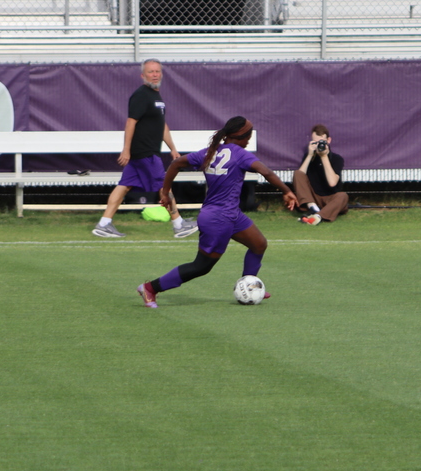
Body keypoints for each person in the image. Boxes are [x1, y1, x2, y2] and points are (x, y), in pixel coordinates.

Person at [137, 116, 299, 308]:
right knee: (201, 266)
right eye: (249, 136)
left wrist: (165, 192)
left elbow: (176, 164)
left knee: (259, 244)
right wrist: (287, 191)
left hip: (230, 215)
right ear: (242, 137)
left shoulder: (210, 152)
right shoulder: (240, 154)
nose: (249, 140)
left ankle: (249, 285)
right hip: (218, 218)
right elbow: (267, 172)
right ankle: (150, 288)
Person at [92, 59, 199, 239]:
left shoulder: (157, 97)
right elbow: (130, 122)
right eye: (151, 72)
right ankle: (179, 224)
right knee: (164, 186)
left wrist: (172, 148)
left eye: (157, 71)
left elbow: (162, 125)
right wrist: (126, 149)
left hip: (146, 153)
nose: (155, 74)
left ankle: (103, 224)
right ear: (143, 75)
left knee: (124, 186)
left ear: (162, 74)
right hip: (144, 152)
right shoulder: (141, 95)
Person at [293, 124, 348, 225]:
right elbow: (299, 177)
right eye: (316, 142)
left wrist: (324, 157)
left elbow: (332, 183)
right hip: (313, 197)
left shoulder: (337, 159)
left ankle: (317, 216)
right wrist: (310, 155)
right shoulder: (309, 156)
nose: (319, 145)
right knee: (297, 173)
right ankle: (313, 208)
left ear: (329, 140)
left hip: (330, 198)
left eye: (322, 142)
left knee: (343, 196)